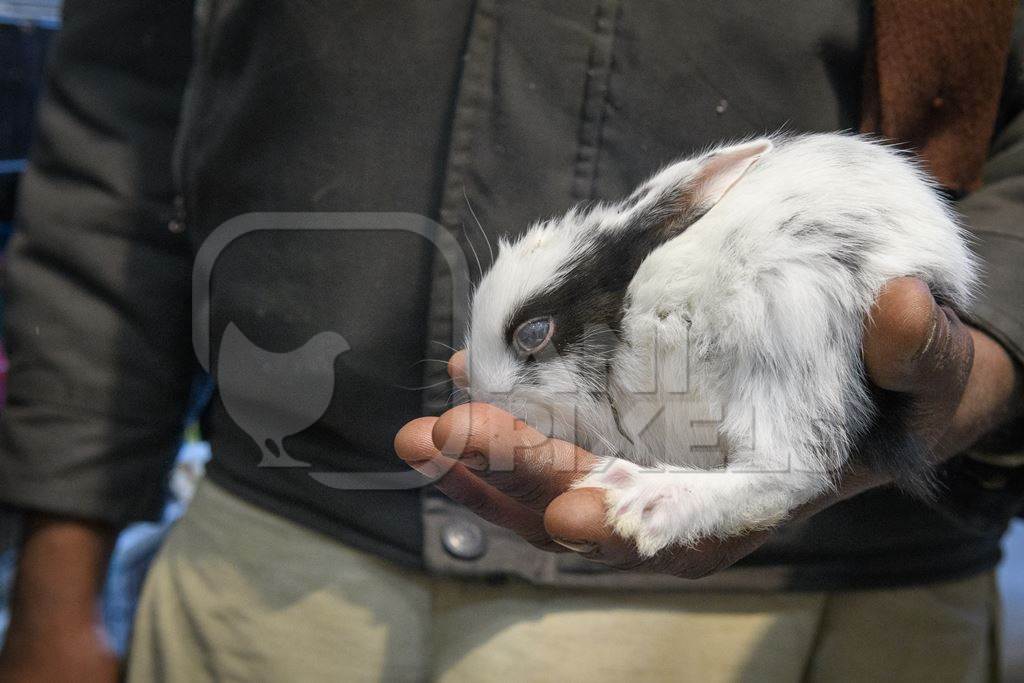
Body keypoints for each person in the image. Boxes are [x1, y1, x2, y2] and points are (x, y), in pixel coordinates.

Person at [0, 1, 1022, 681]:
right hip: (269, 577)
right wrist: (58, 574)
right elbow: (114, 136)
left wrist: (984, 353)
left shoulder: (695, 250)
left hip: (814, 606)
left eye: (535, 338)